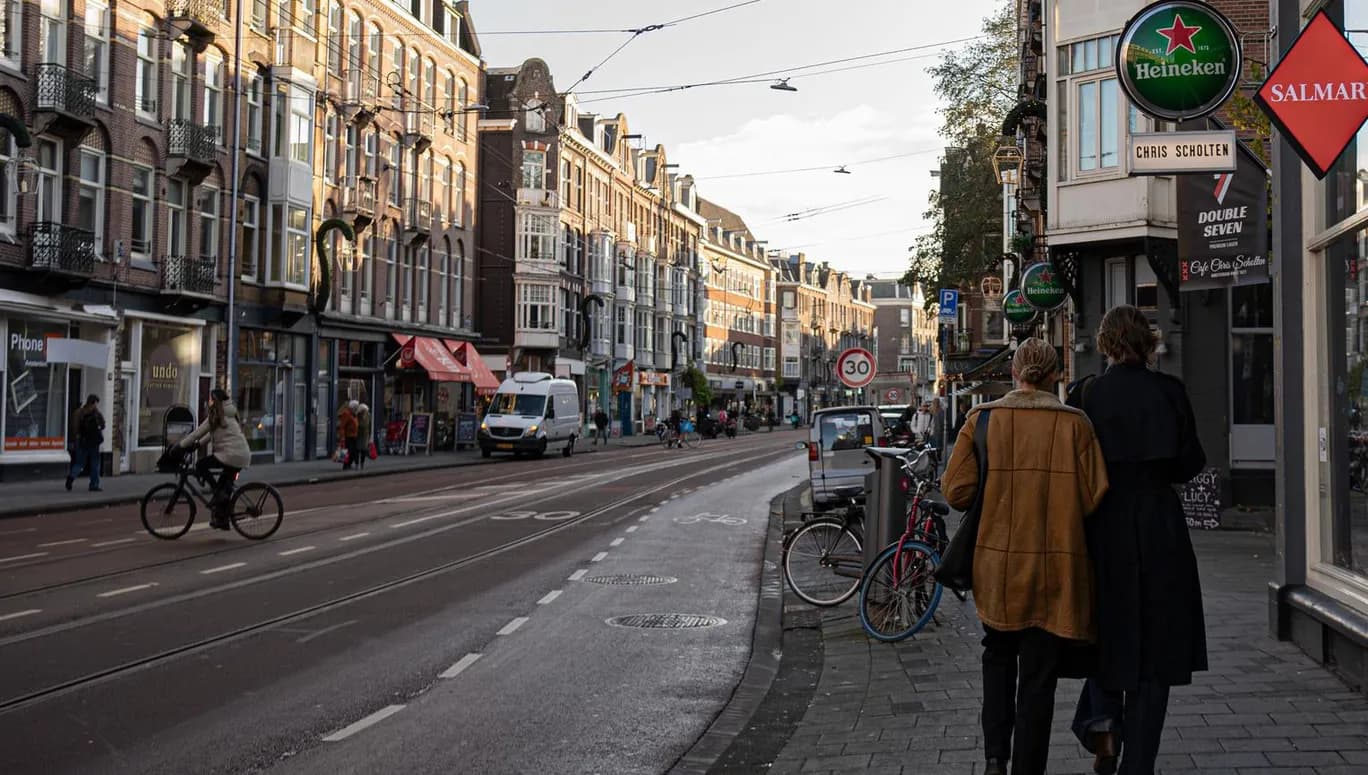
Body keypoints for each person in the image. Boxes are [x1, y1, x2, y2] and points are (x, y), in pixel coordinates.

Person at [941, 338, 1109, 775]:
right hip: (1057, 566)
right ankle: (1029, 768)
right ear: (1055, 374)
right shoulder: (1077, 424)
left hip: (998, 567)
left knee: (997, 655)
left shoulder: (982, 419)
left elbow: (956, 491)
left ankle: (996, 756)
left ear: (1014, 372)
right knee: (1040, 674)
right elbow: (1094, 496)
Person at [1067, 305, 1207, 775]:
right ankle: (1139, 764)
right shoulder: (1170, 392)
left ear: (1105, 343)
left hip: (1103, 524)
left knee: (1104, 631)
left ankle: (1104, 723)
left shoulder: (1085, 395)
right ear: (1148, 343)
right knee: (1156, 647)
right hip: (1158, 526)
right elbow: (1190, 462)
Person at [178, 388, 251, 530]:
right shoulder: (229, 412)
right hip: (241, 455)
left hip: (230, 455)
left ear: (216, 400)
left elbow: (198, 433)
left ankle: (217, 492)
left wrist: (180, 446)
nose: (209, 402)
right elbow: (211, 434)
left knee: (201, 465)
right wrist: (198, 445)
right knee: (225, 489)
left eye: (211, 399)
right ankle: (222, 520)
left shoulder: (217, 414)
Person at [66, 394, 105, 492]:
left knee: (79, 463)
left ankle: (71, 478)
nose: (96, 406)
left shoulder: (79, 412)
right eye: (96, 403)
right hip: (94, 443)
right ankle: (94, 485)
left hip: (82, 441)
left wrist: (77, 437)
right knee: (95, 464)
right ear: (93, 403)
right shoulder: (96, 414)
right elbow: (103, 424)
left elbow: (74, 427)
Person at [338, 401, 359, 471]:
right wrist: (342, 437)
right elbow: (342, 426)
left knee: (354, 451)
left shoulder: (354, 414)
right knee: (348, 451)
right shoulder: (346, 414)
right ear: (352, 407)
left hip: (354, 436)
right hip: (348, 436)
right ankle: (345, 465)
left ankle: (349, 464)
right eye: (356, 407)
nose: (357, 408)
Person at [355, 403, 372, 470]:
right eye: (363, 410)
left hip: (365, 435)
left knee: (363, 451)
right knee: (358, 450)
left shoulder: (368, 415)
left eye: (365, 410)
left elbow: (369, 425)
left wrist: (370, 435)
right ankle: (357, 464)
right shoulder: (357, 415)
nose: (364, 412)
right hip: (358, 435)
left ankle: (361, 464)